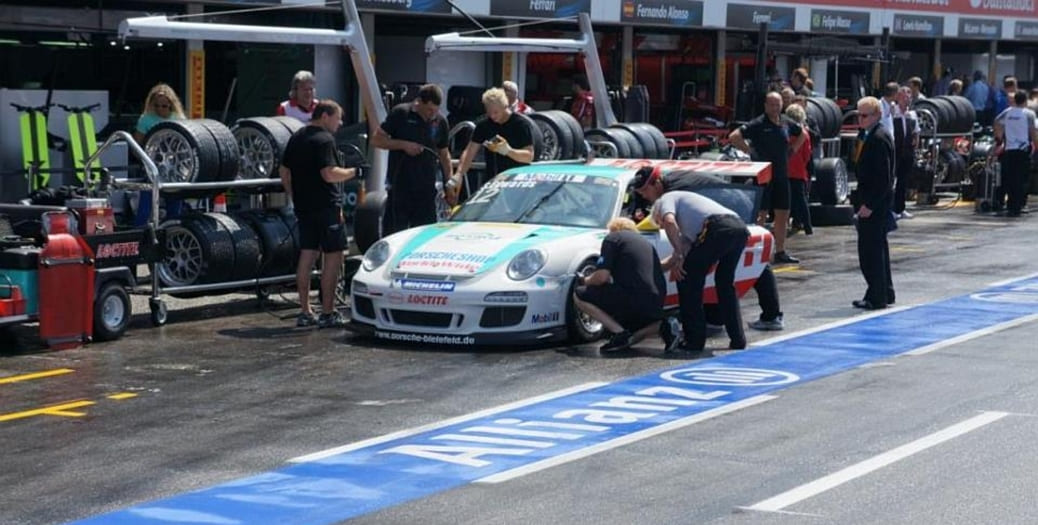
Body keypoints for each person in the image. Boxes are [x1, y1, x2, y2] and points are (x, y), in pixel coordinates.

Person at [632, 166, 785, 331]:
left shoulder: (672, 194)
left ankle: (771, 315)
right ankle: (723, 322)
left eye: (644, 191)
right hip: (721, 216)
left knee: (745, 260)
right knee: (721, 276)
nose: (644, 196)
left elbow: (671, 223)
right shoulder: (666, 186)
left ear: (656, 183)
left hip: (733, 206)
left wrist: (678, 254)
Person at [279, 100, 357, 328]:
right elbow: (329, 173)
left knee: (307, 255)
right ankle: (328, 311)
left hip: (304, 207)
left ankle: (305, 310)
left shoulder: (297, 136)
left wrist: (293, 195)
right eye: (337, 118)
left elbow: (284, 170)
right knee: (333, 256)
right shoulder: (325, 139)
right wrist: (354, 171)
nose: (340, 123)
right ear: (325, 116)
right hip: (326, 206)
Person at [652, 191, 749, 353]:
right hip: (739, 228)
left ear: (658, 213)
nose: (662, 227)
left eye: (659, 223)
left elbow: (669, 221)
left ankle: (694, 341)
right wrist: (653, 271)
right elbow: (677, 257)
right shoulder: (691, 228)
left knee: (686, 281)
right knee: (725, 284)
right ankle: (738, 339)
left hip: (716, 226)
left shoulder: (666, 199)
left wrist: (680, 254)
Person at [573, 217, 679, 354]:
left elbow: (602, 277)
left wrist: (585, 280)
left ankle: (619, 333)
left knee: (580, 294)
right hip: (656, 301)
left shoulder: (613, 238)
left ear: (613, 229)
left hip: (634, 298)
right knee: (633, 336)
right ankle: (663, 325)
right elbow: (658, 268)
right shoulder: (645, 243)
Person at [729, 91, 806, 264]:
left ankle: (780, 251)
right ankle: (756, 251)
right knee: (761, 213)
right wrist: (750, 151)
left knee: (783, 213)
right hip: (764, 174)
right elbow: (734, 136)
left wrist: (792, 151)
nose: (775, 107)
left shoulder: (786, 122)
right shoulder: (758, 123)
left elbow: (802, 134)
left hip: (782, 174)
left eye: (777, 104)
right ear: (765, 106)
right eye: (771, 104)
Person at [371, 84, 452, 234]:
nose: (431, 114)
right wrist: (403, 145)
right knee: (395, 233)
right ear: (418, 102)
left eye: (435, 110)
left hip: (426, 188)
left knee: (424, 234)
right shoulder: (401, 113)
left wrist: (450, 184)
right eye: (428, 109)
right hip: (400, 186)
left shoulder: (440, 121)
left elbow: (444, 154)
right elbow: (376, 140)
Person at [448, 88, 534, 200]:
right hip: (494, 181)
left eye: (496, 112)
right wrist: (459, 174)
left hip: (517, 182)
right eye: (489, 112)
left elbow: (529, 156)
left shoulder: (521, 125)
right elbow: (470, 152)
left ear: (505, 106)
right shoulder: (484, 126)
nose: (492, 116)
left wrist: (508, 151)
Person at [851, 96, 895, 310]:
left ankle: (877, 296)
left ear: (877, 115)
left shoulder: (879, 138)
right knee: (876, 249)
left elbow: (883, 178)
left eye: (865, 115)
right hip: (867, 200)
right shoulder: (865, 135)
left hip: (873, 204)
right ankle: (882, 291)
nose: (860, 119)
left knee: (870, 252)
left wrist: (870, 204)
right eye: (858, 114)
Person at [993, 91, 1038, 217]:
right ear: (1025, 101)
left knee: (1010, 178)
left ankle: (1010, 204)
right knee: (1022, 179)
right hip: (1023, 149)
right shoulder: (1029, 114)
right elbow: (1033, 131)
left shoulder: (1007, 112)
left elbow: (996, 122)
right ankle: (1019, 205)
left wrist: (999, 138)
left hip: (1009, 149)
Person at [784, 104, 813, 236]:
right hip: (799, 170)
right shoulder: (804, 134)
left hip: (785, 170)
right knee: (802, 201)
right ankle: (808, 227)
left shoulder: (785, 133)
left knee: (785, 201)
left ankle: (783, 225)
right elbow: (807, 154)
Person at [893, 86, 919, 218]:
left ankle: (900, 208)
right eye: (903, 96)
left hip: (907, 151)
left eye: (909, 95)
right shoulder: (893, 112)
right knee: (891, 180)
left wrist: (915, 145)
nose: (906, 98)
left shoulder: (912, 114)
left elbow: (916, 132)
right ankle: (891, 209)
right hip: (895, 150)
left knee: (903, 180)